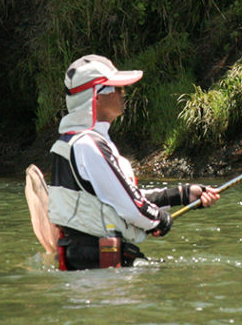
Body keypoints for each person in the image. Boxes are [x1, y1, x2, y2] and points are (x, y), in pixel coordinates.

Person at [41, 54, 219, 270]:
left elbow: (119, 198)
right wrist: (160, 221)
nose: (123, 94)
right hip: (101, 271)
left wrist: (182, 194)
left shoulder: (74, 141)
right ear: (95, 97)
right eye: (116, 89)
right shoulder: (89, 144)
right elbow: (132, 208)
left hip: (88, 265)